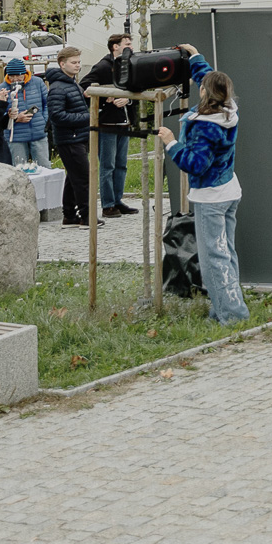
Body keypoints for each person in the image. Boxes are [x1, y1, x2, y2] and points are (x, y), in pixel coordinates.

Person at [156, 44, 249, 326]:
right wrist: (195, 56)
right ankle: (229, 306)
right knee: (226, 252)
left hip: (211, 197)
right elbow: (208, 76)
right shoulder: (228, 109)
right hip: (229, 189)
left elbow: (196, 164)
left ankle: (231, 316)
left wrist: (170, 142)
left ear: (205, 93)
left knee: (213, 260)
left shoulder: (206, 126)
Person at [82, 34, 135, 217]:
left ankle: (118, 200)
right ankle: (108, 204)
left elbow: (134, 89)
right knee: (108, 165)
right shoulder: (103, 66)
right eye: (127, 44)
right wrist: (107, 97)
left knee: (121, 164)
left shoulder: (129, 64)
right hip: (107, 123)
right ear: (115, 47)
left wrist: (127, 100)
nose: (130, 47)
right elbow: (85, 87)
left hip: (124, 121)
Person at [45, 46, 94, 227]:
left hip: (77, 136)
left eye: (79, 62)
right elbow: (57, 115)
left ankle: (69, 215)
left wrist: (86, 99)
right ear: (62, 64)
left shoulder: (71, 83)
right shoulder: (58, 87)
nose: (78, 66)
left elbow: (74, 105)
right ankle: (86, 216)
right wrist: (88, 118)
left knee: (73, 177)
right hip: (69, 138)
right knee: (82, 178)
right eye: (74, 62)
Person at [2, 58, 51, 170]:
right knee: (19, 169)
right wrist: (15, 118)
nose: (15, 79)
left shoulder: (38, 83)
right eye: (11, 76)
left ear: (25, 73)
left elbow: (47, 103)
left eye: (18, 75)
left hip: (38, 133)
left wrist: (44, 121)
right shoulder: (2, 89)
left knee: (44, 167)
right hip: (16, 136)